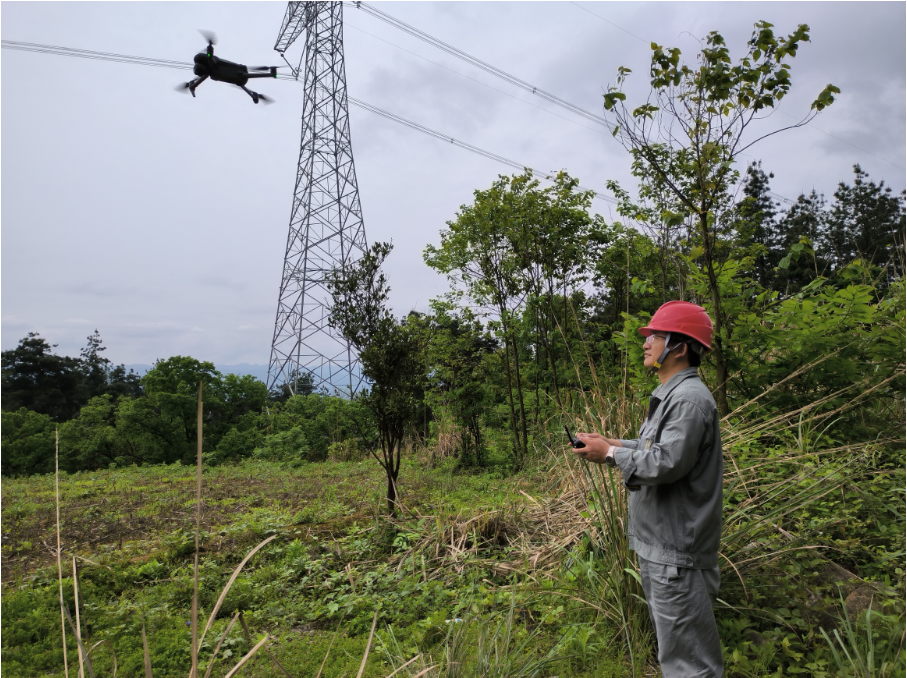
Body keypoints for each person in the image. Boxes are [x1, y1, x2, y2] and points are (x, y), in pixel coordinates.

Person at [574, 301, 724, 677]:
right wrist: (613, 442)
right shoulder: (673, 395)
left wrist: (608, 454)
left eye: (655, 335)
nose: (646, 343)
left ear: (680, 346)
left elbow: (666, 463)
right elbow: (653, 450)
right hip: (665, 548)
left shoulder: (688, 399)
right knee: (677, 650)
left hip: (677, 554)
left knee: (690, 662)